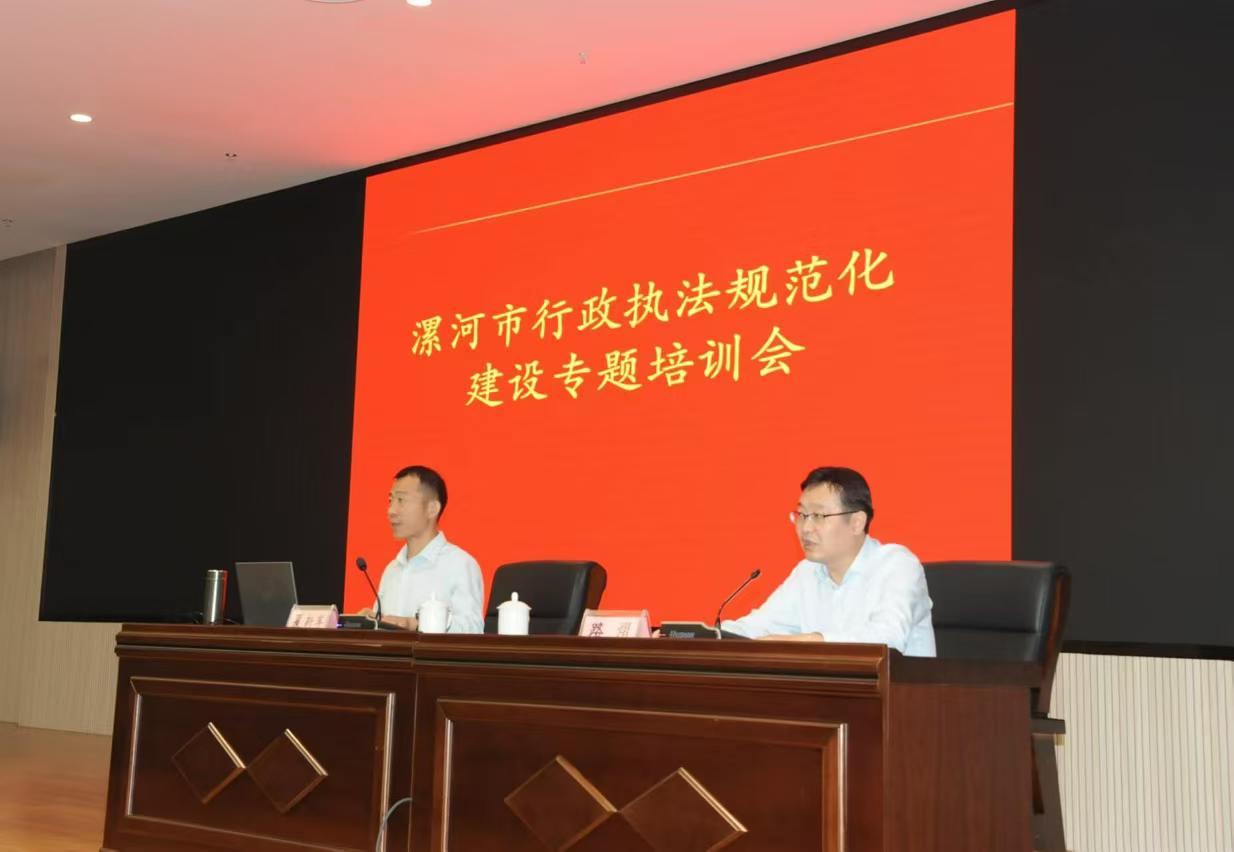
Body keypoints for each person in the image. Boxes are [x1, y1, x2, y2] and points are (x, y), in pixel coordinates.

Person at [720, 466, 935, 656]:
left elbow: (888, 638)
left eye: (818, 516)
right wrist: (712, 635)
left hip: (901, 688)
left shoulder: (896, 564)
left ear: (856, 522)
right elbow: (758, 627)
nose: (805, 528)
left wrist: (812, 640)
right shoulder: (808, 572)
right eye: (802, 515)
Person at [358, 465, 484, 633]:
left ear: (432, 509)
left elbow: (473, 630)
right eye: (390, 501)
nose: (391, 511)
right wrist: (372, 621)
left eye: (401, 500)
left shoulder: (460, 564)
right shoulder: (392, 570)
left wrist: (416, 624)